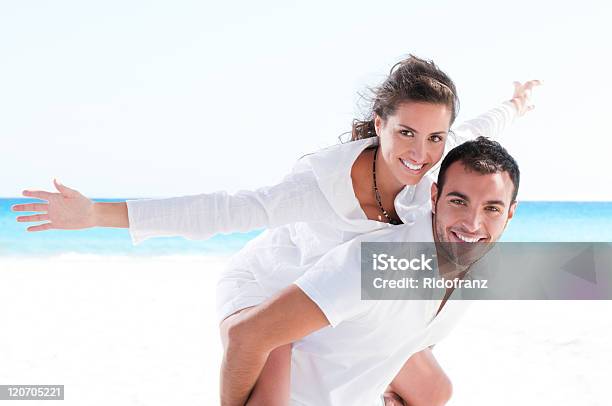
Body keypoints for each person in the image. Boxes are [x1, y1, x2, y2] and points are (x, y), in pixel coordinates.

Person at [12, 55, 538, 405]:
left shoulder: (439, 165)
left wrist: (517, 103)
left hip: (336, 302)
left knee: (434, 391)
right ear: (379, 123)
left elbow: (485, 129)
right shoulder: (317, 185)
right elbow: (220, 210)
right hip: (270, 288)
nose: (420, 153)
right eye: (405, 132)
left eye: (434, 137)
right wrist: (98, 214)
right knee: (269, 362)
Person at [219, 136, 520, 405]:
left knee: (436, 391)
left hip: (353, 382)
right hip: (298, 394)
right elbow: (247, 335)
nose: (472, 224)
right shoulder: (377, 264)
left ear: (510, 212)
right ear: (434, 197)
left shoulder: (474, 263)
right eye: (458, 201)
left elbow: (419, 332)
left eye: (491, 208)